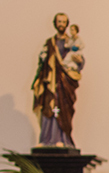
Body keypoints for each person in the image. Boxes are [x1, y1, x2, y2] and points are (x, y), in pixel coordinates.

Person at [32, 12, 84, 148]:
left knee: (63, 109)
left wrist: (80, 61)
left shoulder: (72, 41)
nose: (61, 24)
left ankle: (62, 137)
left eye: (63, 22)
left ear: (67, 24)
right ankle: (47, 139)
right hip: (51, 80)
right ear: (55, 24)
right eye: (59, 22)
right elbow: (42, 61)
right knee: (48, 108)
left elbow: (78, 57)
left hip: (64, 82)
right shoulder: (50, 43)